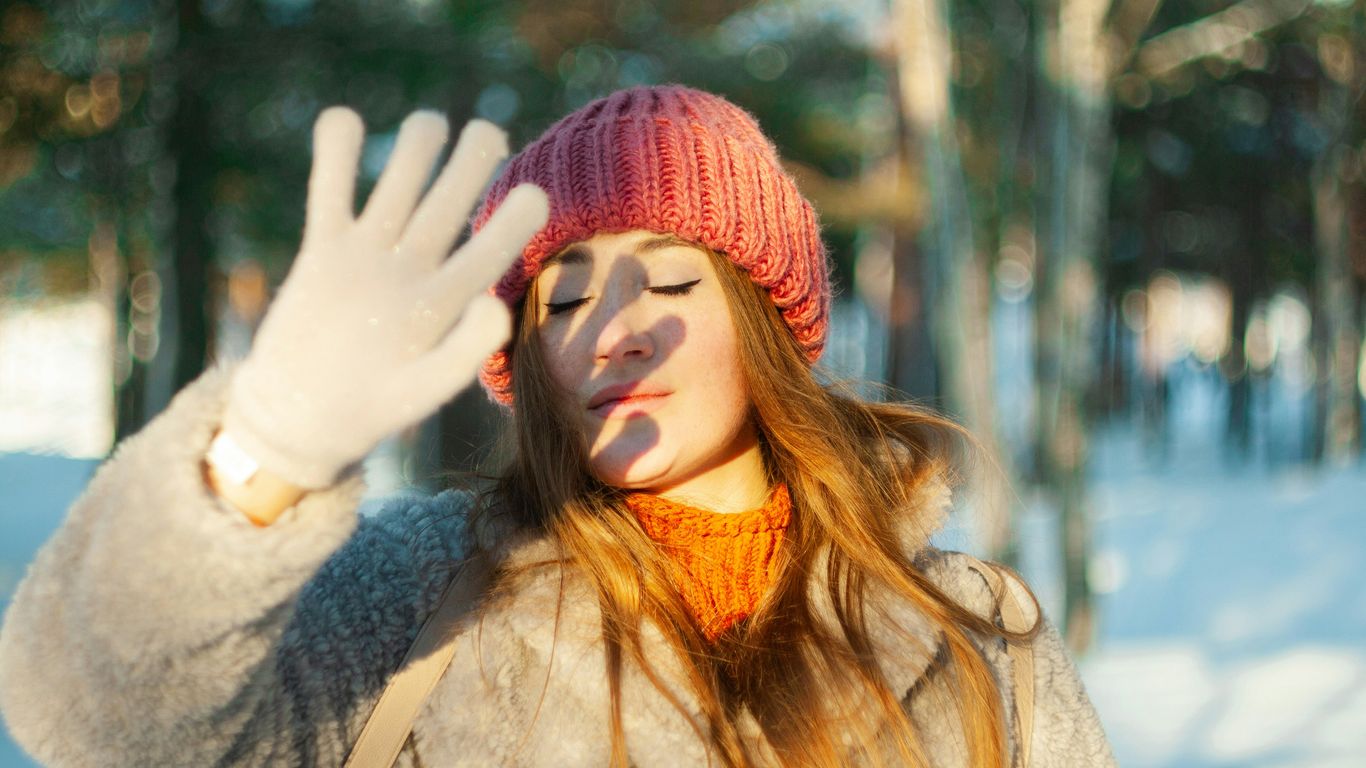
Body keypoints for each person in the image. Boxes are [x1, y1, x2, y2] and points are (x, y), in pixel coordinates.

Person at [0, 85, 1115, 767]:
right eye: (563, 298)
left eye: (671, 284)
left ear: (768, 321)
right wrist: (259, 452)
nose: (612, 333)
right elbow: (87, 719)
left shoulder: (975, 633)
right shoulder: (420, 600)